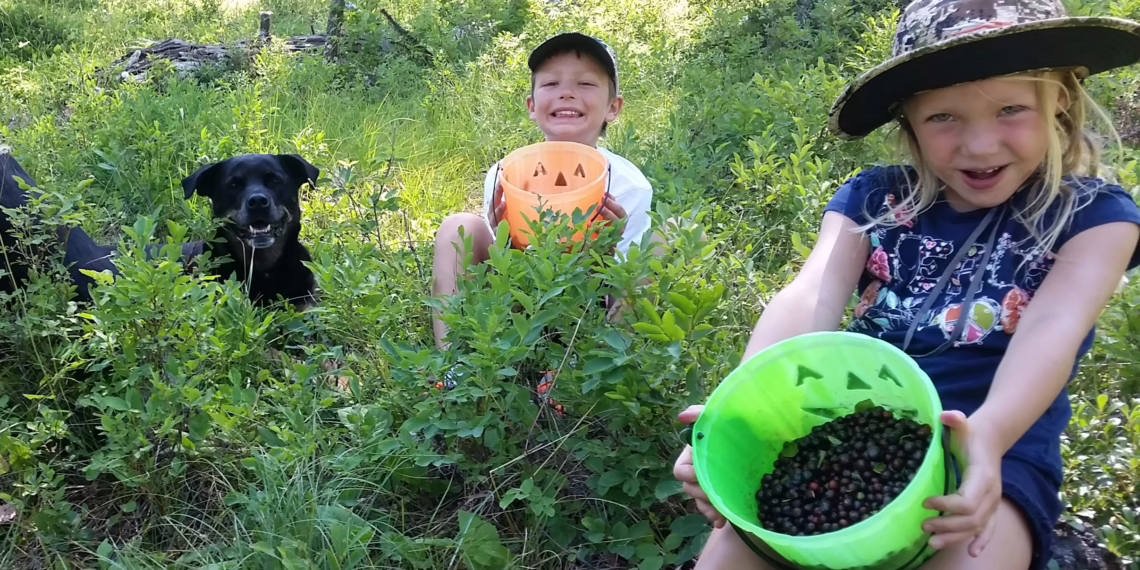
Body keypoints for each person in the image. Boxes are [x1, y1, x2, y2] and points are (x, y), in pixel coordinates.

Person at [671, 0, 1140, 568]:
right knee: (728, 557)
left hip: (997, 449)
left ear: (1059, 100)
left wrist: (986, 440)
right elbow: (811, 293)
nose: (980, 144)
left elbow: (1054, 330)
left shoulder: (1092, 217)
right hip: (858, 434)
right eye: (944, 117)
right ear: (909, 123)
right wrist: (735, 413)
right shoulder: (875, 201)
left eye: (1010, 109)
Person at [429, 33, 656, 383]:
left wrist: (607, 246)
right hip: (524, 302)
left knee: (654, 254)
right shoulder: (506, 173)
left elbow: (624, 282)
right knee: (457, 227)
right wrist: (503, 237)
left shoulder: (629, 186)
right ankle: (454, 365)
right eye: (551, 83)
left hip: (590, 308)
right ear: (532, 106)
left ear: (614, 107)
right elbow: (509, 269)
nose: (567, 92)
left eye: (585, 83)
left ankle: (589, 371)